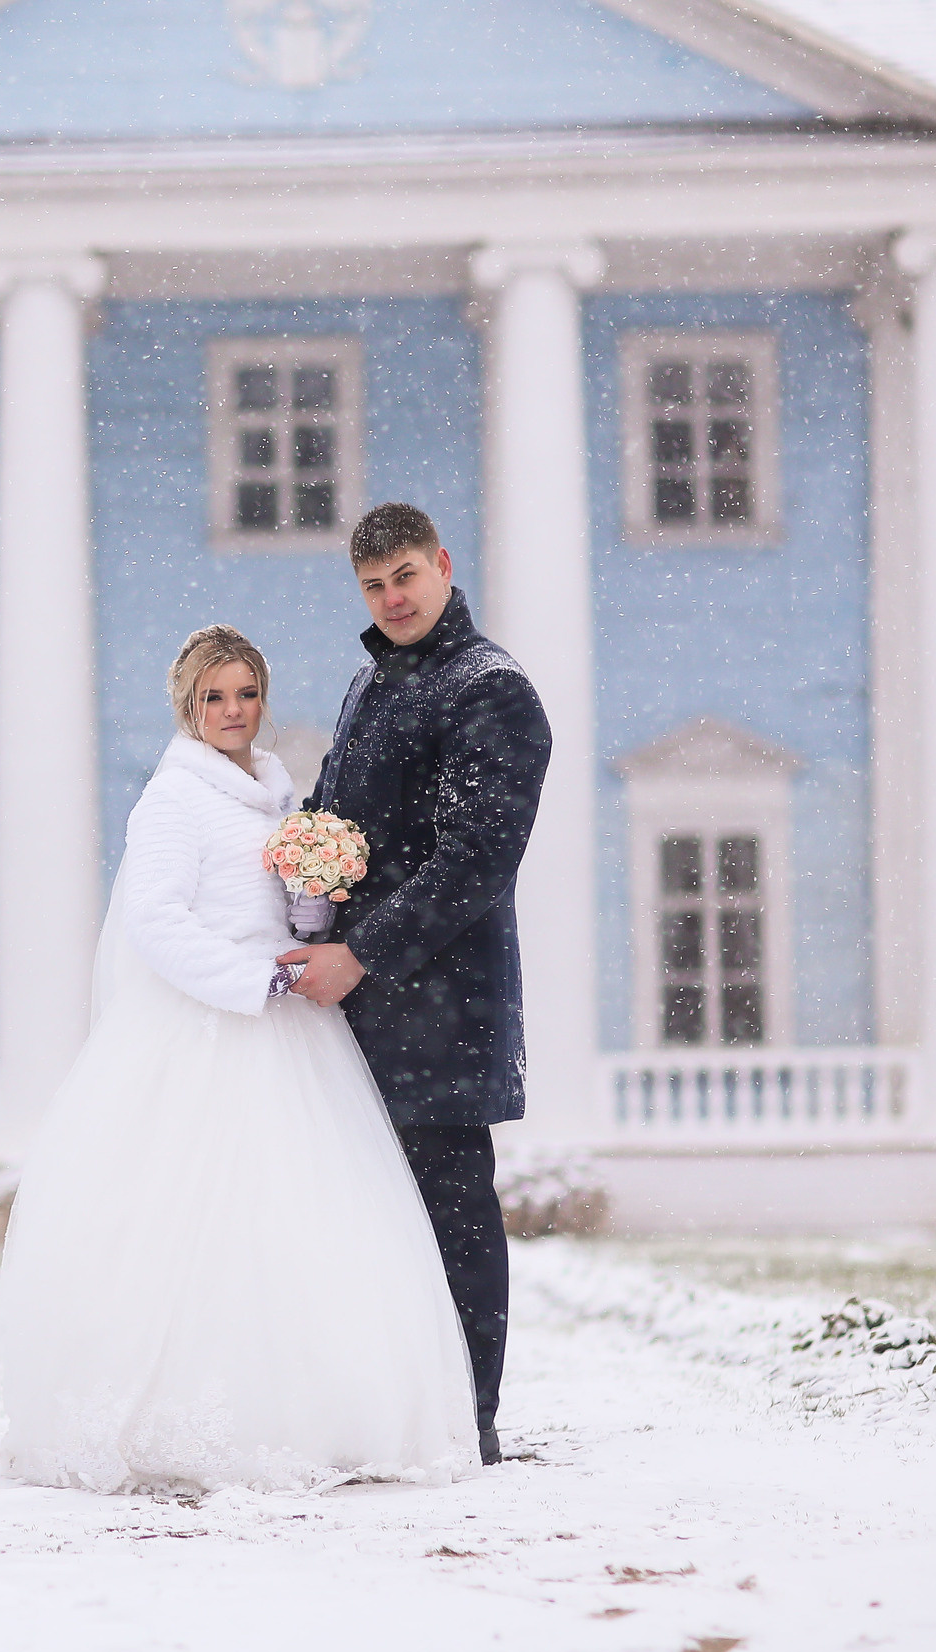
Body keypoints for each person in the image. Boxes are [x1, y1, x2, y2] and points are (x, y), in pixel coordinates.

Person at [0, 624, 478, 1496]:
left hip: (290, 1026)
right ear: (189, 705)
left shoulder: (274, 791)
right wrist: (248, 980)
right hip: (210, 1025)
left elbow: (292, 923)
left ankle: (323, 1411)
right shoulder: (174, 799)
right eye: (214, 697)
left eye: (246, 694)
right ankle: (188, 1417)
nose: (232, 711)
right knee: (197, 1225)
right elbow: (155, 917)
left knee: (308, 1221)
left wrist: (312, 897)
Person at [281, 503, 552, 1468]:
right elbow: (330, 815)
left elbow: (474, 858)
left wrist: (361, 951)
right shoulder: (371, 682)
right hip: (355, 1010)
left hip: (444, 1006)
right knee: (368, 1219)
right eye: (372, 584)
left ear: (441, 564)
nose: (391, 597)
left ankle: (463, 1423)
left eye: (404, 575)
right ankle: (387, 1415)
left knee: (450, 1217)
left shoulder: (493, 691)